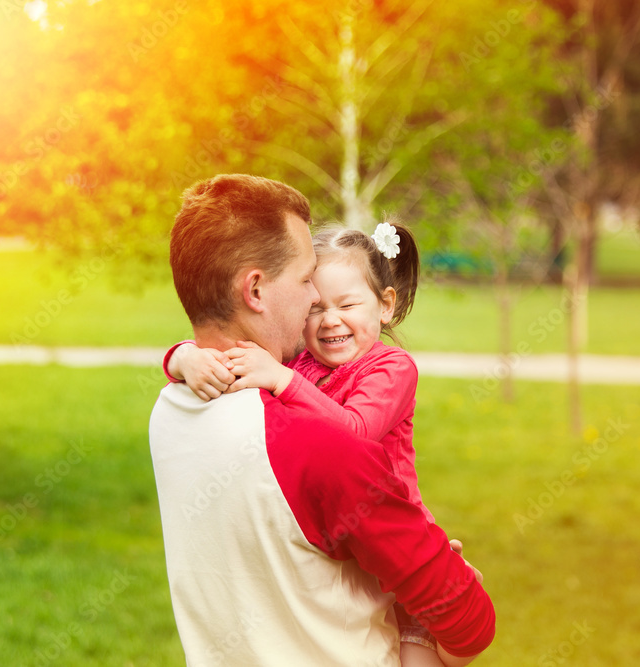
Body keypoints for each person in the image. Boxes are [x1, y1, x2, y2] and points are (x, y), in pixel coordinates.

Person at [149, 173, 495, 666]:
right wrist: (458, 601)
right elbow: (469, 622)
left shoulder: (171, 413)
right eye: (306, 279)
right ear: (255, 290)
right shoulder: (309, 444)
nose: (317, 301)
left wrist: (184, 358)